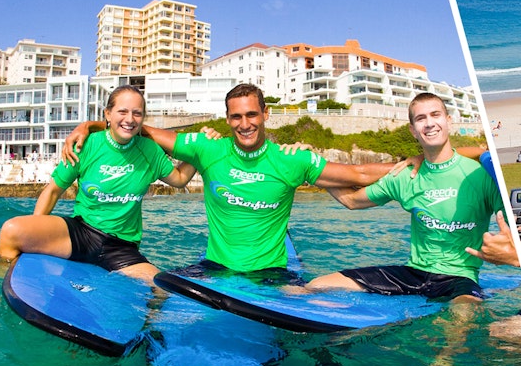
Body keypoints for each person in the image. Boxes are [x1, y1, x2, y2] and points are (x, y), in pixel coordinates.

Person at [61, 84, 408, 274]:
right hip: (215, 268)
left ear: (265, 114)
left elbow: (359, 174)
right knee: (163, 290)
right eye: (237, 116)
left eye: (252, 114)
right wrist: (89, 126)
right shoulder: (208, 148)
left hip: (269, 274)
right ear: (227, 119)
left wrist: (414, 163)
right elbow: (138, 127)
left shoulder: (292, 159)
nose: (245, 123)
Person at [296, 92, 505, 303]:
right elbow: (351, 200)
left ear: (448, 121)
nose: (430, 124)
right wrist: (310, 166)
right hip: (413, 274)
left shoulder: (479, 175)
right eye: (421, 119)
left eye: (435, 115)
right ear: (413, 130)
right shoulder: (404, 176)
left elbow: (508, 227)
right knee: (316, 285)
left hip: (460, 277)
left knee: (463, 314)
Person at [0, 86, 197, 283]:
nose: (129, 119)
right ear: (108, 114)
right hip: (81, 233)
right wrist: (37, 232)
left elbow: (179, 179)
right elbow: (52, 191)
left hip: (121, 247)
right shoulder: (86, 144)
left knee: (159, 287)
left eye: (137, 113)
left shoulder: (150, 150)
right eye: (122, 111)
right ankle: (5, 281)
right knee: (11, 230)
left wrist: (201, 151)